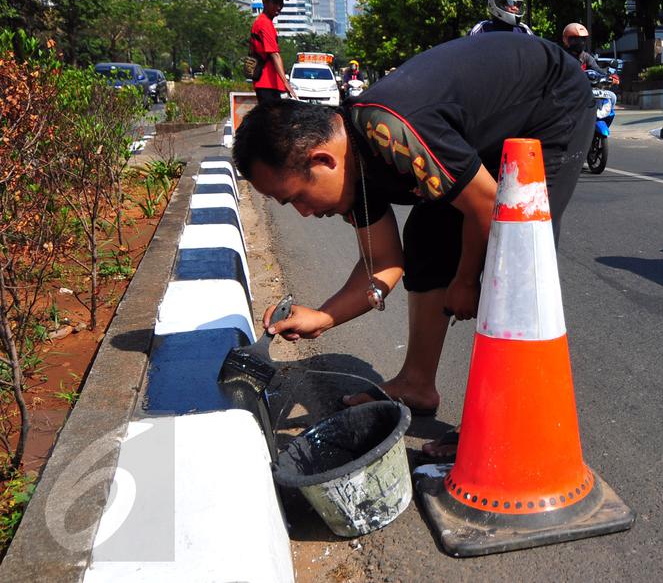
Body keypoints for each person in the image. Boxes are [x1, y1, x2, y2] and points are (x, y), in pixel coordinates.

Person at [231, 32, 592, 459]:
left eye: (296, 198)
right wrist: (323, 317)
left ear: (322, 160)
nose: (304, 213)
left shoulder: (392, 130)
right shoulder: (354, 167)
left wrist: (465, 281)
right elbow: (384, 262)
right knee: (426, 233)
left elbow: (486, 205)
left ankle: (511, 425)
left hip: (550, 103)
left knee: (516, 250)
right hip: (489, 130)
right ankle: (417, 383)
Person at [250, 0, 296, 104]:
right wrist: (286, 83)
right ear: (264, 1)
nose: (279, 7)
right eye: (275, 3)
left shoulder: (262, 22)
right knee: (272, 115)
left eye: (281, 3)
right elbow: (274, 54)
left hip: (266, 82)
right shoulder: (264, 23)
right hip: (267, 82)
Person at [469, 0, 534, 35]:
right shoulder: (481, 29)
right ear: (496, 4)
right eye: (510, 3)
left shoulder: (523, 30)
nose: (515, 8)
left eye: (518, 5)